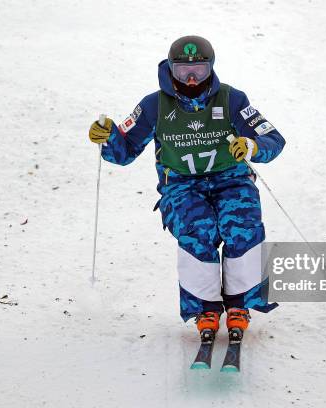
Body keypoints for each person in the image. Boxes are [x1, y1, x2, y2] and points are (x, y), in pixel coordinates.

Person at [88, 35, 285, 337]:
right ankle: (204, 307)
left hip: (230, 179)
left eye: (200, 71)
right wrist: (109, 135)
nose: (191, 79)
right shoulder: (154, 106)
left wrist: (253, 146)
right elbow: (123, 151)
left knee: (242, 225)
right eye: (182, 71)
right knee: (198, 228)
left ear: (211, 69)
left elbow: (273, 138)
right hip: (181, 185)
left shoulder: (232, 99)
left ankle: (240, 303)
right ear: (170, 69)